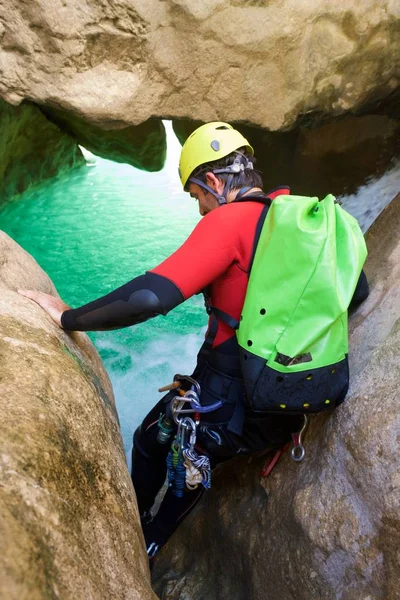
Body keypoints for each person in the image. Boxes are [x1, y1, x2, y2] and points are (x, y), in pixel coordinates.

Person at [18, 122, 369, 560]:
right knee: (171, 443)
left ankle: (146, 539)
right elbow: (359, 293)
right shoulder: (308, 221)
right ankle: (153, 531)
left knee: (160, 447)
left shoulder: (229, 221)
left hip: (229, 405)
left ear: (216, 183)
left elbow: (148, 298)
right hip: (289, 402)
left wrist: (68, 316)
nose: (200, 210)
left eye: (197, 196)